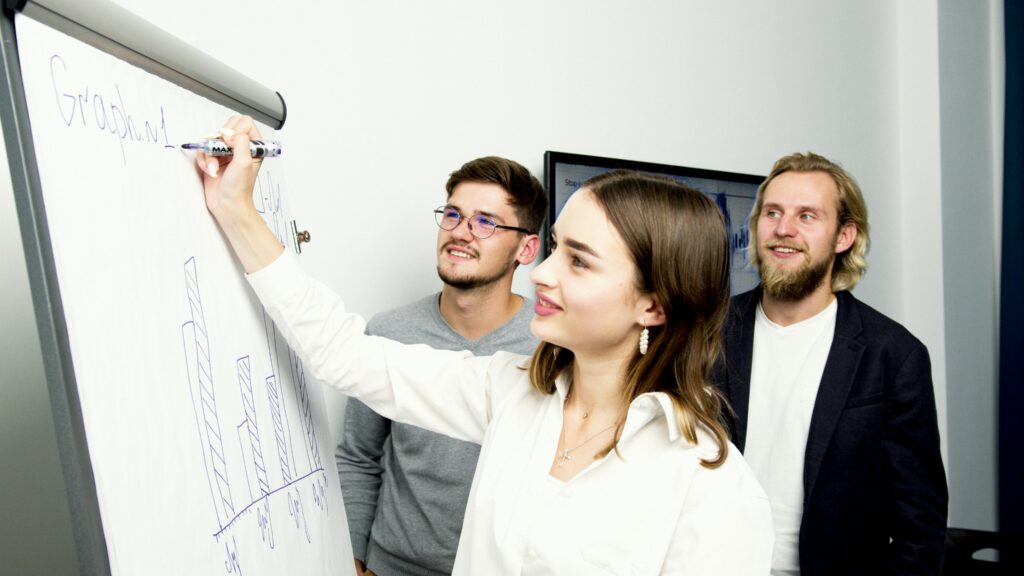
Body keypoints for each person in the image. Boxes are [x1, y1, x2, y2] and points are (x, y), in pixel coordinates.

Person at [197, 116, 773, 574]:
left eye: (578, 261)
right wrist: (236, 210)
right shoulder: (512, 392)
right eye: (555, 249)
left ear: (653, 304)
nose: (544, 274)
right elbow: (346, 355)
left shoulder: (708, 482)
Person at [713, 152, 948, 575]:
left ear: (844, 237)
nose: (783, 230)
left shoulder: (893, 355)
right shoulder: (707, 334)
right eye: (773, 213)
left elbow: (920, 527)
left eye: (807, 216)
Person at [335, 156, 546, 576]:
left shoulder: (549, 349)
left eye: (485, 222)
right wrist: (354, 558)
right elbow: (359, 456)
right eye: (453, 215)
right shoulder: (388, 331)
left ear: (525, 248)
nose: (460, 233)